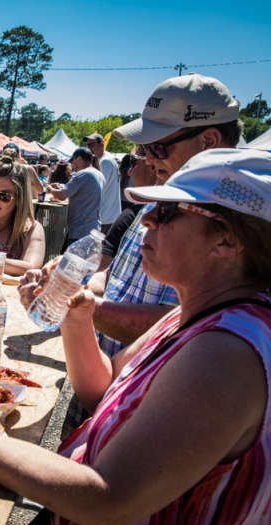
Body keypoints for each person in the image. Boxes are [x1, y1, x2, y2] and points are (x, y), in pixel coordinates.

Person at [0, 148, 271, 525]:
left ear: (226, 241)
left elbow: (106, 500)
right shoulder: (192, 315)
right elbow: (102, 391)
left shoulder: (225, 354)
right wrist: (77, 315)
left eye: (167, 212)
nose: (147, 221)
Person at [88, 74, 242, 357]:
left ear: (209, 141)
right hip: (114, 382)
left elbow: (189, 325)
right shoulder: (158, 196)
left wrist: (81, 308)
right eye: (144, 149)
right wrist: (74, 282)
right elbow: (113, 279)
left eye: (157, 147)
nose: (148, 158)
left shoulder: (239, 223)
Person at [99, 148, 154, 271]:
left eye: (134, 163)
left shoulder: (135, 215)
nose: (130, 172)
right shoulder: (133, 214)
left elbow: (103, 265)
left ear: (153, 166)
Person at [48, 147, 105, 249]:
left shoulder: (83, 174)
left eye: (73, 161)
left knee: (71, 263)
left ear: (78, 159)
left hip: (80, 230)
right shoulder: (98, 174)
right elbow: (82, 192)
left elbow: (61, 196)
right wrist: (62, 187)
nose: (72, 165)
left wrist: (48, 189)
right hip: (92, 227)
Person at [84, 133, 121, 233]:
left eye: (91, 145)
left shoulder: (105, 162)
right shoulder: (106, 158)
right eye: (87, 145)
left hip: (105, 216)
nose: (88, 148)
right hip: (108, 214)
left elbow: (96, 188)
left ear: (101, 144)